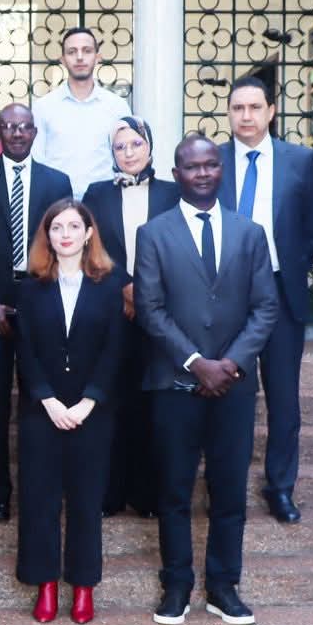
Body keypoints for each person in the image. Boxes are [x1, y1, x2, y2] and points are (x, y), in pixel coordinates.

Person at [134, 134, 278, 625]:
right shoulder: (153, 234)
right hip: (176, 385)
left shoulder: (250, 233)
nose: (202, 173)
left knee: (230, 490)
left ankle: (223, 587)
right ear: (176, 174)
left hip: (234, 386)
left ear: (221, 171)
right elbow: (150, 309)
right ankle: (176, 585)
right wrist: (197, 362)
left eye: (210, 165)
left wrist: (230, 363)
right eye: (192, 166)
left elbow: (265, 307)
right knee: (174, 492)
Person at [217, 76, 313, 525]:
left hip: (281, 293)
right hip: (226, 297)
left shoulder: (299, 160)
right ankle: (226, 483)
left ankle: (280, 486)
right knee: (229, 395)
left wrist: (291, 265)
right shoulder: (213, 161)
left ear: (270, 111)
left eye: (254, 107)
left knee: (284, 398)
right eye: (237, 108)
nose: (245, 116)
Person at [0, 102, 73, 523]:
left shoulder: (57, 181)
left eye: (24, 127)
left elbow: (65, 245)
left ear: (34, 132)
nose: (18, 133)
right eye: (9, 126)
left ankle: (39, 491)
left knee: (41, 400)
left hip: (43, 301)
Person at [14, 200, 128, 625]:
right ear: (47, 235)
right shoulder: (30, 287)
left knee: (85, 500)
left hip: (91, 410)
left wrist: (87, 402)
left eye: (74, 226)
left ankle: (82, 587)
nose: (65, 234)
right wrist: (47, 400)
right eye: (57, 227)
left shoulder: (109, 285)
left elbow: (114, 349)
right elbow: (25, 349)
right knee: (39, 500)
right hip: (40, 409)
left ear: (88, 233)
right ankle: (44, 585)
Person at [81, 116, 181, 519]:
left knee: (152, 402)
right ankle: (111, 491)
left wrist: (147, 291)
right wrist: (123, 285)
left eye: (136, 144)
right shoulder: (97, 193)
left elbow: (179, 246)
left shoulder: (173, 192)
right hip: (113, 308)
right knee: (113, 399)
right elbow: (92, 248)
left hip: (162, 310)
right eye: (120, 146)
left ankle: (147, 493)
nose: (128, 153)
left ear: (150, 147)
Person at [32, 27, 133, 198]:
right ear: (63, 60)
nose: (79, 57)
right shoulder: (43, 107)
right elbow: (37, 161)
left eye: (87, 51)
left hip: (105, 200)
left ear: (97, 57)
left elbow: (126, 157)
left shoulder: (117, 107)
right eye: (72, 52)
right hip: (56, 201)